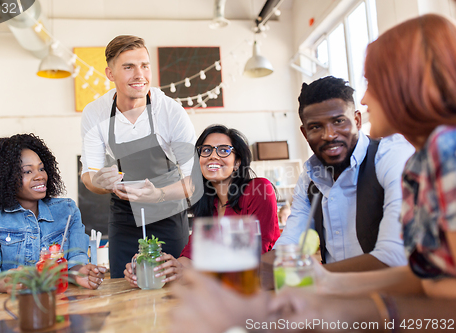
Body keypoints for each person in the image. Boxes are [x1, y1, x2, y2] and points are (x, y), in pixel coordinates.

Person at [170, 14, 456, 333]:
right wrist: (317, 282)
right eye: (316, 127)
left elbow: (401, 265)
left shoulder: (430, 153)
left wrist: (317, 303)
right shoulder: (419, 162)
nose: (365, 96)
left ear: (404, 86)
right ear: (305, 132)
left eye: (373, 83)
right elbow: (428, 277)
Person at [80, 35, 201, 278]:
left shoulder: (170, 112)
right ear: (110, 73)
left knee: (172, 285)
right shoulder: (95, 113)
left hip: (168, 212)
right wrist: (101, 184)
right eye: (128, 67)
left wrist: (159, 194)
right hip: (125, 216)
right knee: (123, 285)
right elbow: (88, 176)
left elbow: (195, 180)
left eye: (145, 65)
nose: (140, 75)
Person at [267, 76, 415, 272]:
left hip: (392, 299)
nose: (329, 135)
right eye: (316, 127)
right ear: (305, 133)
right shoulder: (309, 177)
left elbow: (393, 257)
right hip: (336, 297)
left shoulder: (390, 156)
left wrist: (311, 276)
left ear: (357, 120)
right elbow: (290, 243)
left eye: (338, 121)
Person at [124, 125, 280, 285]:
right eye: (206, 150)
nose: (213, 156)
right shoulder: (205, 203)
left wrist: (192, 272)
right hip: (221, 292)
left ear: (237, 162)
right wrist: (161, 269)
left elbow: (254, 255)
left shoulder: (259, 190)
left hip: (261, 290)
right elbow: (191, 256)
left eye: (224, 150)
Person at [0, 134, 106, 293]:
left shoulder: (67, 211)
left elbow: (75, 262)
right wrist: (7, 283)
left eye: (41, 168)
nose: (40, 176)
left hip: (60, 303)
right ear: (4, 178)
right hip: (10, 307)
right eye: (28, 171)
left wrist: (80, 274)